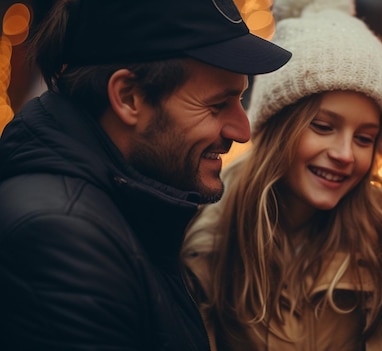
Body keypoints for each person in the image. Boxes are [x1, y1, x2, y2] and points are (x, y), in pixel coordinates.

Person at [0, 0, 291, 349]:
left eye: (240, 101)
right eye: (216, 105)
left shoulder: (128, 204)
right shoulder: (62, 238)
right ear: (129, 97)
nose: (242, 131)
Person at [182, 0, 382, 349]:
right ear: (279, 127)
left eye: (364, 139)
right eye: (323, 127)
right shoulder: (210, 237)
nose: (345, 154)